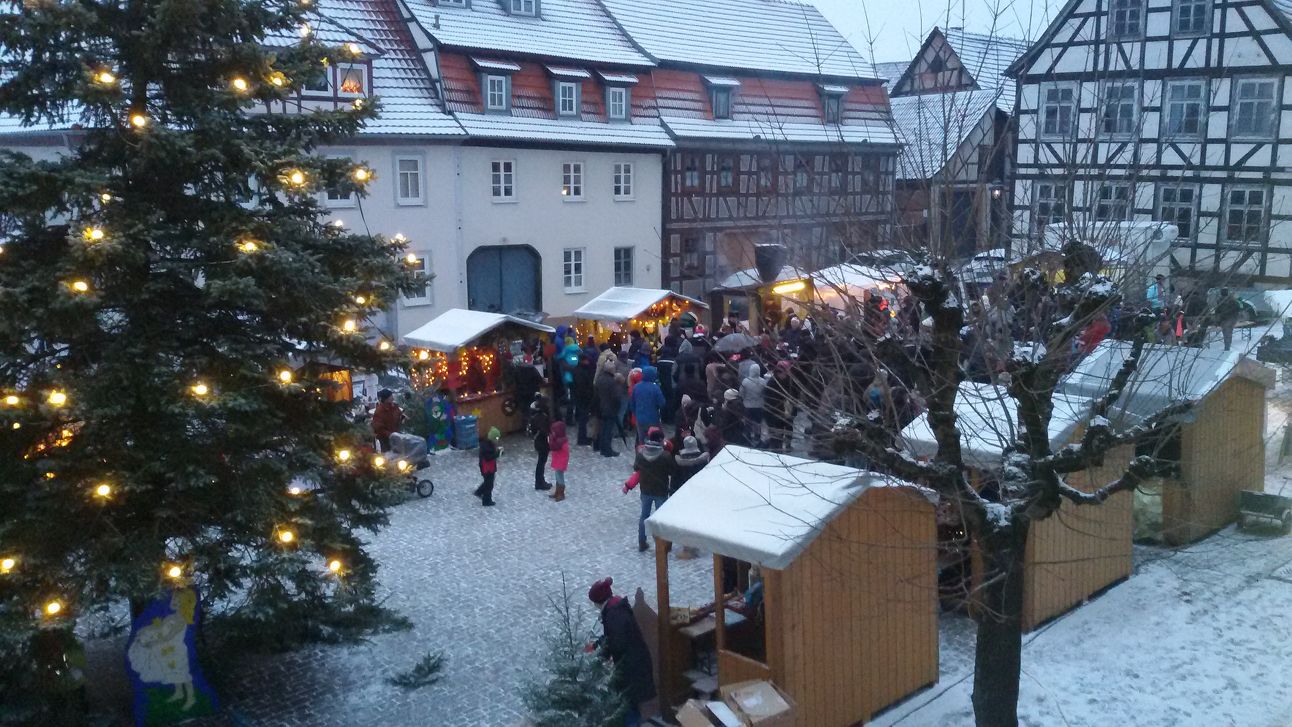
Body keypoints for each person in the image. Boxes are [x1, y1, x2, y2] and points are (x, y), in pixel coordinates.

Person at [587, 577, 656, 727]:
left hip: (631, 669)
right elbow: (611, 637)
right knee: (631, 703)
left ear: (599, 601)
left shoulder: (614, 615)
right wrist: (597, 645)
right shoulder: (615, 608)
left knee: (628, 704)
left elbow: (616, 642)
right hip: (634, 664)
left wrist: (602, 655)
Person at [628, 428, 673, 552]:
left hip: (645, 489)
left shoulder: (641, 453)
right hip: (661, 490)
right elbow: (671, 471)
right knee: (661, 518)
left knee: (644, 516)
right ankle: (663, 544)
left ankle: (642, 541)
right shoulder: (665, 455)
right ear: (659, 440)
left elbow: (636, 467)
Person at [672, 436, 709, 560]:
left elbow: (675, 481)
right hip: (699, 495)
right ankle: (695, 545)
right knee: (696, 521)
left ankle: (688, 548)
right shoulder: (703, 461)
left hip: (684, 496)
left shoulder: (679, 462)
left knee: (686, 522)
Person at [594, 354, 622, 457]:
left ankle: (602, 448)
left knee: (603, 429)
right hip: (610, 408)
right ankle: (607, 450)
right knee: (608, 430)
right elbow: (616, 397)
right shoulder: (612, 382)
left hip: (601, 407)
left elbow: (596, 394)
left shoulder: (599, 379)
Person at [630, 366, 665, 444]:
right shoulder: (655, 388)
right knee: (656, 438)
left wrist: (636, 413)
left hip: (639, 418)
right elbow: (661, 403)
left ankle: (641, 454)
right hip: (653, 418)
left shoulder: (636, 387)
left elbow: (632, 403)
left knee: (641, 440)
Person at [529, 396, 553, 491]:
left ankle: (540, 481)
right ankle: (540, 482)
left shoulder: (537, 414)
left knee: (541, 462)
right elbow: (544, 430)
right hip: (541, 442)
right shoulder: (541, 416)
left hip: (539, 441)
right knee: (541, 462)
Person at [740, 363, 766, 447]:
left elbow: (741, 393)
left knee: (748, 422)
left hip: (747, 405)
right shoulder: (763, 381)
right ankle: (757, 436)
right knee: (758, 422)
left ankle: (748, 437)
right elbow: (764, 394)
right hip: (759, 405)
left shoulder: (745, 381)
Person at [474, 427, 501, 506]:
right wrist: (497, 454)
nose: (497, 440)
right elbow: (489, 457)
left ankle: (479, 492)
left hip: (488, 467)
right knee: (489, 484)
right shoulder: (487, 446)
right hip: (487, 468)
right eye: (496, 438)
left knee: (488, 482)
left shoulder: (488, 444)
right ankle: (486, 500)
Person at [547, 420, 569, 502]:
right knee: (557, 476)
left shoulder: (561, 441)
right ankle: (558, 492)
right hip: (558, 460)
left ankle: (561, 493)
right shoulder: (560, 439)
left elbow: (554, 447)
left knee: (559, 477)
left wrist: (550, 440)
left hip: (561, 461)